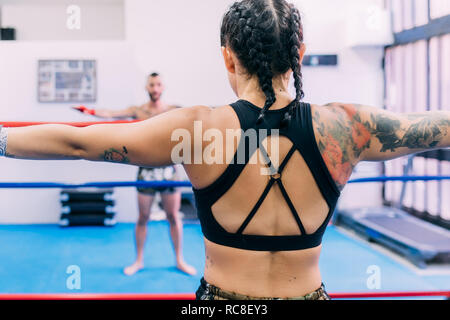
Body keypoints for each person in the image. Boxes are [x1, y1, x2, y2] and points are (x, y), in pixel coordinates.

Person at [1, 0, 449, 300]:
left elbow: (77, 141)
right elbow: (434, 127)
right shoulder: (348, 127)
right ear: (300, 54)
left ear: (228, 57)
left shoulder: (197, 129)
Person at [74, 73, 197, 276]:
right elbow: (111, 114)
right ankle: (139, 260)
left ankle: (179, 260)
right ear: (146, 87)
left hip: (169, 169)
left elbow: (198, 115)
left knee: (173, 216)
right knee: (142, 217)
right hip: (146, 170)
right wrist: (90, 111)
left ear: (163, 87)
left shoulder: (174, 110)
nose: (155, 88)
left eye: (158, 84)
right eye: (152, 85)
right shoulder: (138, 110)